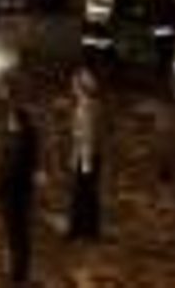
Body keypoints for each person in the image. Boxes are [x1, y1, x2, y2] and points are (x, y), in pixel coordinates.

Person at [0, 93, 41, 286]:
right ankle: (17, 270)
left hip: (14, 195)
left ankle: (18, 273)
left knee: (17, 234)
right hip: (19, 194)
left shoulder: (20, 144)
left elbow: (10, 170)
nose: (7, 123)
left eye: (10, 120)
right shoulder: (24, 138)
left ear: (17, 122)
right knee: (17, 234)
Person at [66, 67, 104, 241]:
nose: (72, 86)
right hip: (87, 156)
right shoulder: (90, 105)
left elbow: (88, 135)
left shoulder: (86, 107)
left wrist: (85, 162)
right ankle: (87, 229)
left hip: (86, 157)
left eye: (74, 84)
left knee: (81, 193)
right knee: (87, 194)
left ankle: (79, 229)